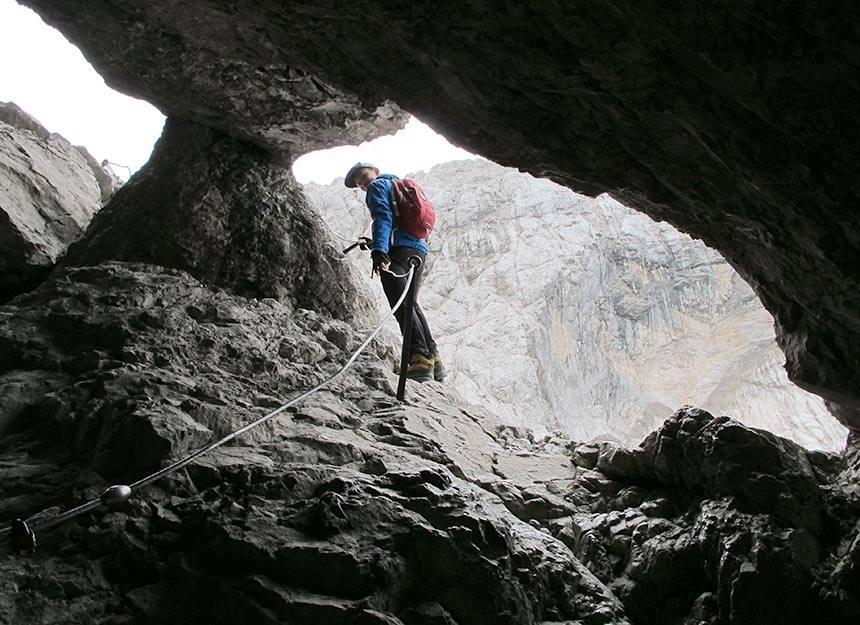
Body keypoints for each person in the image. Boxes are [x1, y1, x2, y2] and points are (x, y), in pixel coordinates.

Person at [345, 162, 446, 382]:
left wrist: (379, 252)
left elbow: (382, 218)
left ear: (376, 172)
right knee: (411, 303)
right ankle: (434, 361)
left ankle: (419, 360)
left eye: (363, 177)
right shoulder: (397, 185)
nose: (364, 184)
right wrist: (375, 244)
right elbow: (396, 226)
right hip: (417, 251)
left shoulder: (378, 186)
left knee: (401, 304)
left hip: (398, 252)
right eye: (360, 184)